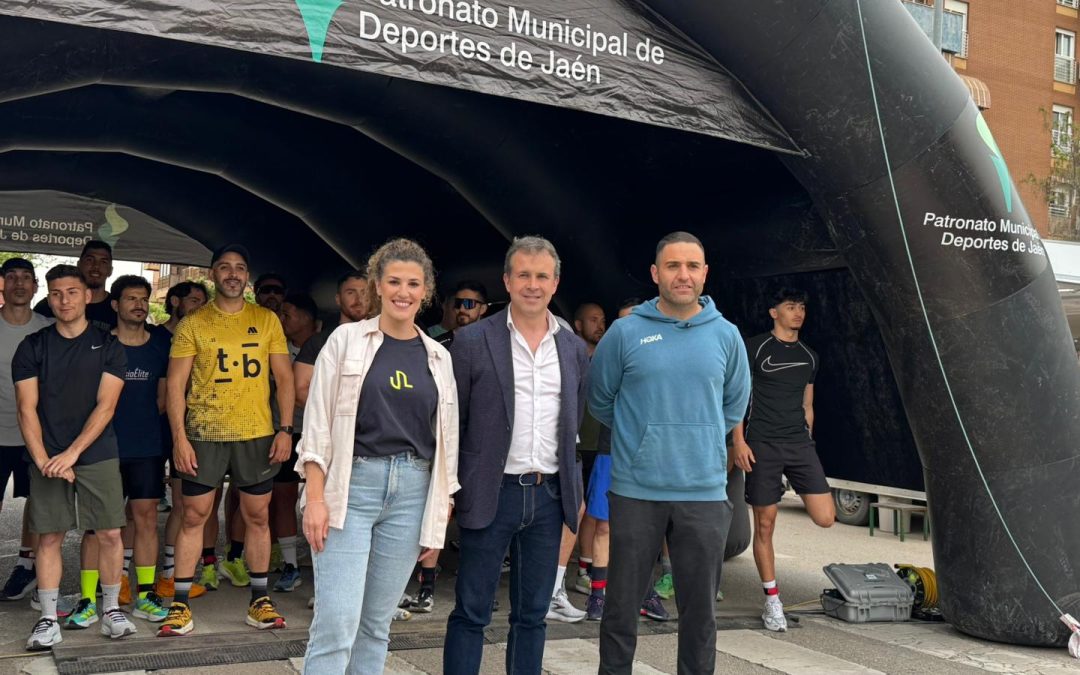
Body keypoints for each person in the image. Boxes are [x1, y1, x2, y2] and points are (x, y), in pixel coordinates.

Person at [589, 231, 751, 674]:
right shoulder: (625, 333)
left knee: (699, 616)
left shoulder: (726, 336)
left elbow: (733, 404)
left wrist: (695, 436)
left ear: (705, 274)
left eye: (692, 266)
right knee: (621, 611)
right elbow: (600, 399)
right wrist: (643, 436)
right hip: (637, 491)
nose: (684, 275)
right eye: (674, 266)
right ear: (656, 273)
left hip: (703, 492)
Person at [298, 238, 459, 673]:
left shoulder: (439, 357)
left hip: (413, 491)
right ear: (378, 286)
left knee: (375, 626)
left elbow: (446, 441)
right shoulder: (345, 341)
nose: (403, 292)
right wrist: (315, 498)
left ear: (426, 290)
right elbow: (317, 426)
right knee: (336, 624)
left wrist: (438, 512)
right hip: (350, 487)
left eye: (413, 283)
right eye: (394, 282)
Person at [444, 236, 589, 675]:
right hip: (492, 492)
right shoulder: (470, 342)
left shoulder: (573, 349)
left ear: (555, 282)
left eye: (541, 276)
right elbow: (454, 424)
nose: (532, 284)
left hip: (547, 496)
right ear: (507, 281)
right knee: (471, 611)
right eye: (523, 275)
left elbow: (573, 421)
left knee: (532, 615)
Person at [159, 243, 295, 636]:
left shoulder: (267, 319)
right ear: (212, 274)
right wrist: (179, 439)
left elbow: (284, 378)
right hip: (205, 433)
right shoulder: (194, 323)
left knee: (256, 516)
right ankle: (180, 606)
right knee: (193, 516)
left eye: (240, 267)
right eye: (225, 267)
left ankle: (259, 600)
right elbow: (176, 386)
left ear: (247, 275)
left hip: (257, 434)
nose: (233, 273)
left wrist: (285, 429)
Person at [15, 264, 136, 650]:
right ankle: (48, 619)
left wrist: (71, 454)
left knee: (110, 532)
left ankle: (112, 610)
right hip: (48, 457)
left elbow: (107, 406)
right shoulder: (33, 346)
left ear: (87, 296)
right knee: (48, 536)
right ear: (47, 298)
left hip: (95, 453)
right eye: (55, 293)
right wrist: (44, 459)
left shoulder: (110, 346)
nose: (63, 300)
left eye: (71, 292)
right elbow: (26, 410)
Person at [731, 288, 834, 632]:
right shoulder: (755, 347)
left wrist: (809, 441)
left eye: (802, 307)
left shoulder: (810, 355)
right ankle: (772, 601)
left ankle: (787, 486)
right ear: (774, 312)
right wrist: (739, 442)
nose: (798, 313)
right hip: (762, 444)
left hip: (799, 445)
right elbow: (736, 395)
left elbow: (809, 403)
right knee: (765, 524)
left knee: (825, 518)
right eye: (791, 307)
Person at [403, 279, 488, 614]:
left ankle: (479, 586)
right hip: (437, 436)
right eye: (458, 303)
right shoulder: (435, 342)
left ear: (483, 308)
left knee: (476, 516)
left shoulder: (497, 344)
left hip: (477, 443)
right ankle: (426, 587)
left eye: (470, 304)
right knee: (434, 508)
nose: (462, 310)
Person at [108, 275, 172, 622]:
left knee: (146, 519)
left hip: (147, 446)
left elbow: (163, 400)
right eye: (131, 298)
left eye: (143, 299)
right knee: (109, 524)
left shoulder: (158, 347)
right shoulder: (102, 345)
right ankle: (113, 588)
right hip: (105, 449)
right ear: (116, 305)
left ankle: (146, 594)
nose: (138, 305)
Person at [156, 281, 213, 600]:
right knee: (140, 508)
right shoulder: (154, 338)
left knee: (182, 504)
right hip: (152, 431)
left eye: (204, 302)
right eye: (194, 300)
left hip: (190, 431)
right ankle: (122, 575)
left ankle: (170, 573)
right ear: (175, 301)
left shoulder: (204, 336)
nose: (199, 307)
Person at [0, 258, 53, 601]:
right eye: (12, 277)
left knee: (38, 507)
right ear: (2, 284)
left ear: (36, 287)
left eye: (26, 278)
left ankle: (26, 567)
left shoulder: (49, 328)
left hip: (37, 437)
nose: (19, 283)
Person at [270, 292, 319, 592]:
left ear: (306, 317)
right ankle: (290, 565)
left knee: (322, 500)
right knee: (283, 497)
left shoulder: (328, 345)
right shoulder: (275, 347)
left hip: (320, 434)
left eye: (287, 313)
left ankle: (324, 567)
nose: (282, 319)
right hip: (285, 431)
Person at [34, 241, 117, 330]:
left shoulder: (117, 309)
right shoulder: (48, 306)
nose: (96, 266)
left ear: (110, 270)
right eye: (90, 260)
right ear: (79, 265)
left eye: (103, 262)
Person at [434, 280, 489, 349]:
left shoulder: (494, 343)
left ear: (482, 309)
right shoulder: (438, 346)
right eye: (458, 303)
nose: (461, 309)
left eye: (469, 303)